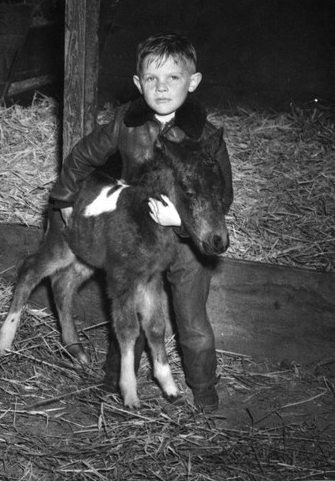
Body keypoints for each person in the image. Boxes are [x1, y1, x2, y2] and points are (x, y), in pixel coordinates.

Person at [50, 33, 233, 411]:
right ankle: (115, 379)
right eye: (152, 79)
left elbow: (221, 195)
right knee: (127, 305)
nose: (161, 87)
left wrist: (182, 222)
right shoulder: (126, 124)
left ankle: (203, 390)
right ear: (138, 83)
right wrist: (65, 194)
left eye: (173, 78)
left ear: (193, 82)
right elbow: (84, 154)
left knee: (191, 319)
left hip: (187, 244)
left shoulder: (207, 136)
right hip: (136, 234)